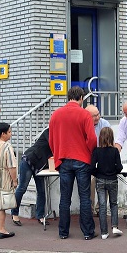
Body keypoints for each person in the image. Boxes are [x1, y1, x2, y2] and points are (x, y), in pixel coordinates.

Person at [49, 86, 97, 240]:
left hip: (63, 160)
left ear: (68, 97)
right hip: (82, 159)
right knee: (84, 197)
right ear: (81, 98)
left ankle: (63, 232)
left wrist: (57, 155)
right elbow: (92, 139)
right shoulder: (84, 114)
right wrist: (90, 154)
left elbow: (51, 140)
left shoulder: (56, 114)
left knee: (65, 198)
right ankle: (88, 232)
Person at [11, 127, 52, 226]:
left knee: (41, 191)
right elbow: (54, 144)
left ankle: (40, 215)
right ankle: (14, 213)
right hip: (29, 160)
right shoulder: (48, 131)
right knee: (22, 188)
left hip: (40, 165)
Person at [90, 127, 123, 239]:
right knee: (113, 204)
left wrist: (98, 173)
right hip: (112, 179)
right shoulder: (114, 151)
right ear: (112, 137)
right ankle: (114, 226)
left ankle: (104, 232)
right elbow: (119, 167)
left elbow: (91, 167)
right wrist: (114, 171)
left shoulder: (96, 151)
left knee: (102, 206)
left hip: (100, 180)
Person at [85, 104, 111, 216]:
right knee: (90, 183)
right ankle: (89, 209)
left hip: (102, 158)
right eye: (94, 116)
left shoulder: (104, 124)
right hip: (88, 158)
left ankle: (101, 208)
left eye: (98, 114)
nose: (97, 117)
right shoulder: (83, 124)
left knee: (106, 181)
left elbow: (109, 142)